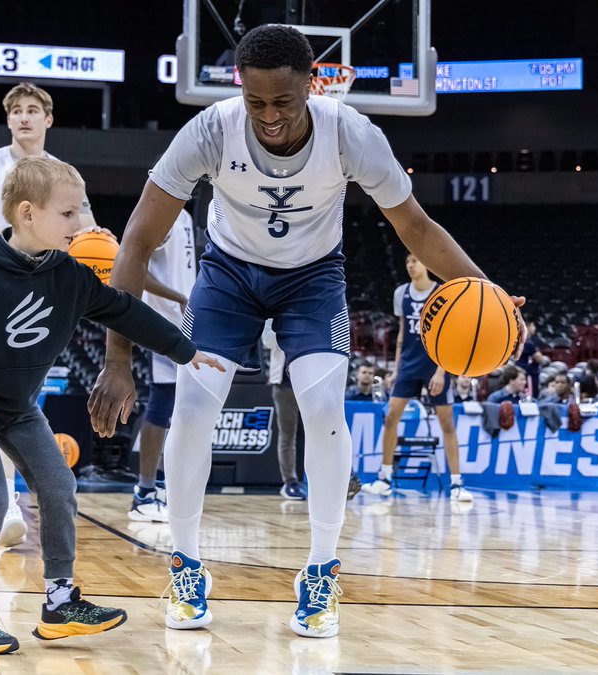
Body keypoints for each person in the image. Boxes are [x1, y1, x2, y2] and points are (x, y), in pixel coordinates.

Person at [86, 25, 520, 638]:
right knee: (190, 409)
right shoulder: (210, 130)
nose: (268, 117)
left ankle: (320, 573)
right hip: (228, 275)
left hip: (313, 280)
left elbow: (418, 229)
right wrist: (117, 357)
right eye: (255, 102)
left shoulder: (351, 133)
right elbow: (136, 238)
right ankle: (186, 566)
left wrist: (492, 293)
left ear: (312, 86)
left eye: (282, 103)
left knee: (323, 408)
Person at [0, 157, 223, 653]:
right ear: (26, 213)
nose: (80, 224)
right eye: (68, 214)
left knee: (60, 486)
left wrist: (187, 350)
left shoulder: (70, 275)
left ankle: (60, 601)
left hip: (19, 407)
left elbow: (127, 313)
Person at [0, 82, 184, 547]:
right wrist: (19, 239)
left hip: (46, 295)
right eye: (15, 110)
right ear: (8, 119)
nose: (23, 118)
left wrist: (99, 238)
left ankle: (21, 502)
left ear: (48, 119)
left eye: (32, 110)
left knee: (21, 396)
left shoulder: (64, 176)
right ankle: (7, 505)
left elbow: (85, 236)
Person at [363, 254, 471, 503]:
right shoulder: (402, 293)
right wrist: (396, 370)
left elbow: (452, 335)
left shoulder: (442, 292)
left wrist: (442, 372)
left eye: (414, 260)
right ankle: (385, 477)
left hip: (435, 365)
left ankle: (456, 483)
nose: (410, 265)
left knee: (447, 425)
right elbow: (402, 333)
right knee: (391, 418)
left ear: (426, 263)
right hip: (409, 365)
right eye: (407, 261)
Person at [130, 208, 198, 522]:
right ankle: (143, 492)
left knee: (179, 409)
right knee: (161, 404)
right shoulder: (162, 211)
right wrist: (178, 297)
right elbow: (137, 269)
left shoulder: (183, 215)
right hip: (164, 322)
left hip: (185, 324)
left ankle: (161, 487)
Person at [263, 321, 307, 500]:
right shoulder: (272, 313)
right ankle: (290, 482)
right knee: (287, 434)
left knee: (320, 432)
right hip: (284, 382)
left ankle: (326, 480)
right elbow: (267, 341)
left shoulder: (307, 307)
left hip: (309, 380)